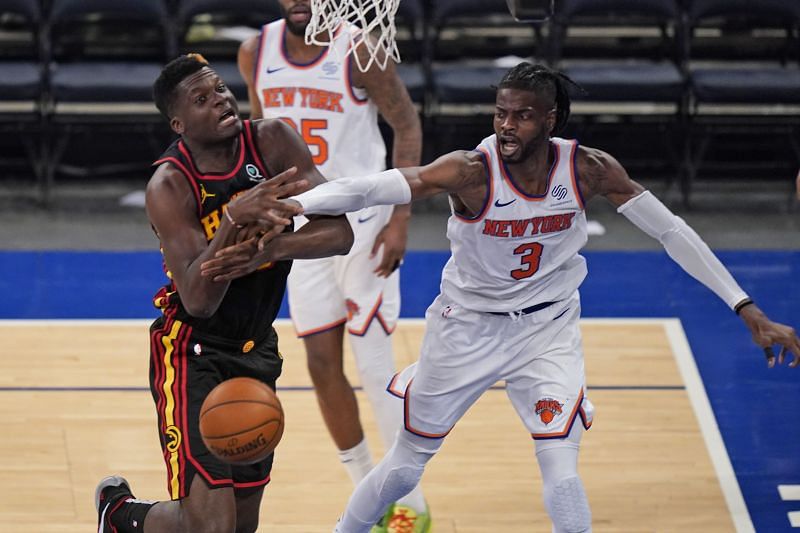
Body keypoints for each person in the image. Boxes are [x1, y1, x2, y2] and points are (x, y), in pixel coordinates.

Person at [202, 62, 800, 532]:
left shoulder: (589, 169)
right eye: (500, 113)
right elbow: (373, 187)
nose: (506, 126)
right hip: (467, 328)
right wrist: (296, 204)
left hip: (548, 328)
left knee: (561, 469)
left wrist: (745, 307)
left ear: (553, 119)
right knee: (406, 467)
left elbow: (671, 230)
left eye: (522, 116)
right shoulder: (471, 171)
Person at [93, 53, 356, 533]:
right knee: (212, 526)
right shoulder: (170, 185)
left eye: (219, 89)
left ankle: (120, 520)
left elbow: (339, 234)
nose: (220, 100)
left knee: (240, 525)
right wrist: (234, 220)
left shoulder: (273, 140)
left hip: (257, 348)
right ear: (179, 122)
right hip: (192, 352)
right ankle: (122, 516)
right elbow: (198, 299)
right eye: (201, 98)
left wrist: (266, 249)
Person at [237, 1, 429, 530]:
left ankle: (410, 501)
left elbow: (407, 126)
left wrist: (400, 218)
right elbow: (260, 136)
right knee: (321, 363)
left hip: (365, 219)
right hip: (303, 227)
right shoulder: (256, 52)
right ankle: (368, 494)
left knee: (373, 364)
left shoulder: (358, 52)